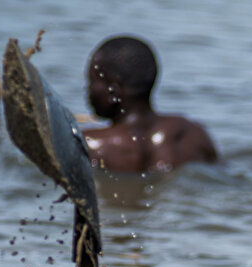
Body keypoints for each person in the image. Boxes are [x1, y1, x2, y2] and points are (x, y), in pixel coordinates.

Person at [82, 35, 219, 172]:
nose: (87, 90)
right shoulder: (194, 134)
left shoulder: (87, 145)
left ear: (112, 92)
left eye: (91, 82)